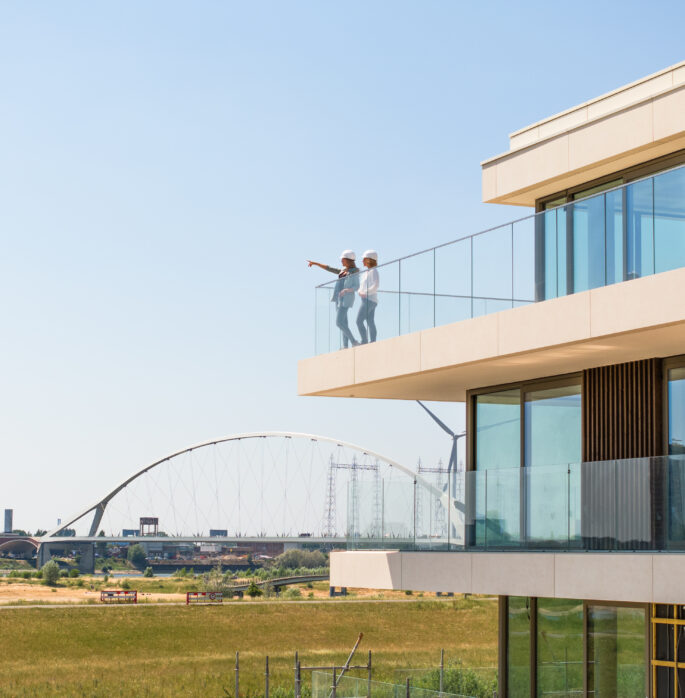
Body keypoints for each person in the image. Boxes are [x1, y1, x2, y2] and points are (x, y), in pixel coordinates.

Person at [308, 251, 360, 348]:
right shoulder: (343, 270)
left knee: (339, 322)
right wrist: (315, 264)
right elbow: (329, 268)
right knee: (344, 323)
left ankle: (354, 341)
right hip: (338, 299)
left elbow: (357, 286)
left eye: (342, 259)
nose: (341, 261)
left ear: (348, 260)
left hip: (346, 299)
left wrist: (346, 290)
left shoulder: (354, 272)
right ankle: (345, 346)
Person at [357, 250, 379, 343]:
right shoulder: (365, 272)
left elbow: (375, 285)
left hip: (369, 300)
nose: (362, 261)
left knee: (359, 320)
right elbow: (360, 287)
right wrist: (359, 291)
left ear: (369, 260)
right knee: (370, 321)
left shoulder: (374, 271)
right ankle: (372, 341)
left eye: (364, 259)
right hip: (366, 299)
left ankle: (365, 341)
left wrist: (364, 292)